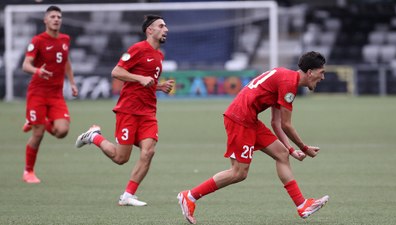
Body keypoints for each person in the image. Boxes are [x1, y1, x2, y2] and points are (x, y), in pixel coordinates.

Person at [177, 51, 329, 224]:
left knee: (282, 154)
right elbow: (286, 125)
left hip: (249, 118)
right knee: (238, 173)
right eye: (321, 72)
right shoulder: (289, 85)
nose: (322, 77)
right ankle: (189, 196)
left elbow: (276, 123)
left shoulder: (285, 77)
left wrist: (292, 150)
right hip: (240, 119)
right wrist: (304, 148)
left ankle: (302, 205)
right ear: (310, 72)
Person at [75, 15, 174, 206]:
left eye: (166, 25)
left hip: (148, 112)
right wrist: (139, 78)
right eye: (161, 26)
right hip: (128, 110)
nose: (166, 29)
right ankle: (94, 136)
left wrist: (159, 87)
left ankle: (127, 195)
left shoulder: (159, 55)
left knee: (148, 152)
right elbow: (116, 72)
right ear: (150, 30)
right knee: (121, 158)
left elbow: (147, 82)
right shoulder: (137, 49)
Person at [21, 6, 78, 184]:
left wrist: (72, 82)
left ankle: (37, 120)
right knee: (38, 135)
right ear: (45, 20)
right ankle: (28, 171)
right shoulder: (38, 40)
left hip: (56, 95)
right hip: (37, 93)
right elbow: (25, 65)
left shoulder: (65, 39)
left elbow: (66, 61)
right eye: (52, 16)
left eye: (59, 17)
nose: (56, 19)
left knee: (62, 131)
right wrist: (37, 71)